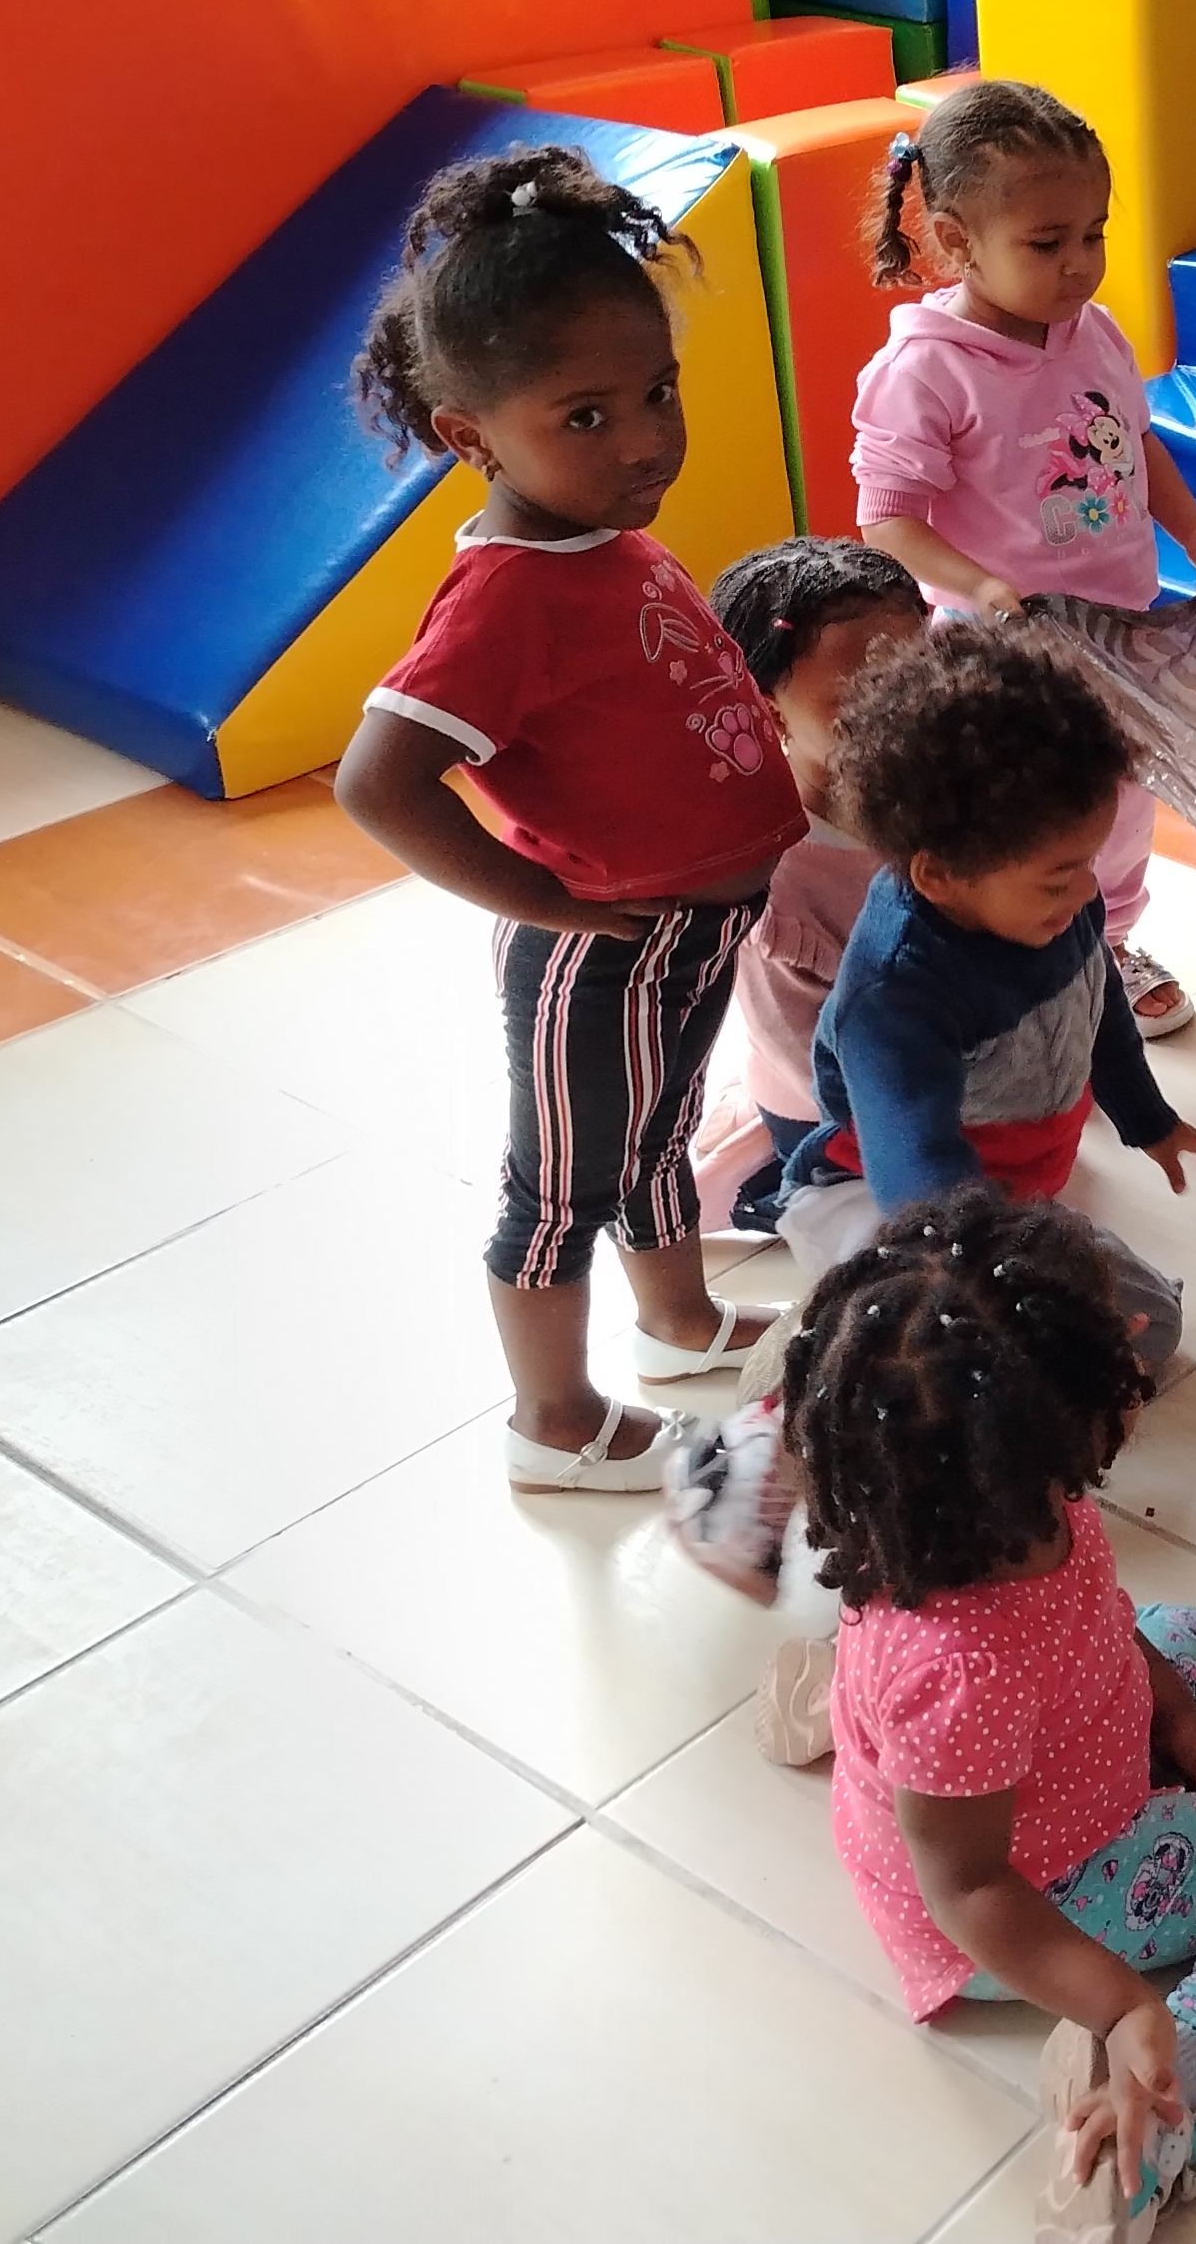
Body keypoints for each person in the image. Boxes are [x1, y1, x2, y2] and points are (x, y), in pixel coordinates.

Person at [332, 147, 810, 1492]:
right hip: (594, 953)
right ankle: (550, 1421)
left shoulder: (600, 537)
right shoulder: (505, 597)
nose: (647, 438)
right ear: (472, 438)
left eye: (658, 392)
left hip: (684, 933)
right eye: (586, 416)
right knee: (558, 1191)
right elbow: (377, 781)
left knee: (656, 1141)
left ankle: (680, 1323)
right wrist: (545, 904)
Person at [792, 1186, 1196, 2235]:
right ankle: (1156, 2095)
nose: (1137, 1335)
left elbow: (1096, 1615)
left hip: (1031, 1762)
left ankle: (837, 1709)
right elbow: (970, 1887)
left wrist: (1175, 1711)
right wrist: (1121, 2004)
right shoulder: (963, 1671)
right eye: (1112, 1345)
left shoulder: (990, 1512)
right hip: (1030, 1888)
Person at [850, 77, 1196, 1046]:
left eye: (1093, 235)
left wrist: (1194, 532)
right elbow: (887, 521)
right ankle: (1009, 966)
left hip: (1121, 637)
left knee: (1118, 806)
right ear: (956, 240)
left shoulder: (1094, 334)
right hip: (1005, 658)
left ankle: (1105, 945)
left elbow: (1135, 443)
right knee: (1023, 825)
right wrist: (985, 588)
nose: (1080, 265)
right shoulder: (925, 371)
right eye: (1046, 243)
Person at [777, 622, 1196, 1387]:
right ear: (940, 876)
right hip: (893, 1207)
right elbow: (919, 1177)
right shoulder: (895, 999)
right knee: (947, 1373)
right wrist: (1007, 1291)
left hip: (1003, 1198)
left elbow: (1100, 1012)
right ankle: (832, 1357)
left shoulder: (1056, 904)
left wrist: (1149, 1120)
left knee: (1150, 1326)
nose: (1088, 890)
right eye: (1060, 876)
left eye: (1088, 862)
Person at [686, 537, 931, 1236]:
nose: (904, 711)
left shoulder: (945, 790)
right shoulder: (774, 884)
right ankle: (772, 1188)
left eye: (920, 675)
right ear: (765, 711)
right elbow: (806, 1060)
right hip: (839, 1108)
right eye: (860, 696)